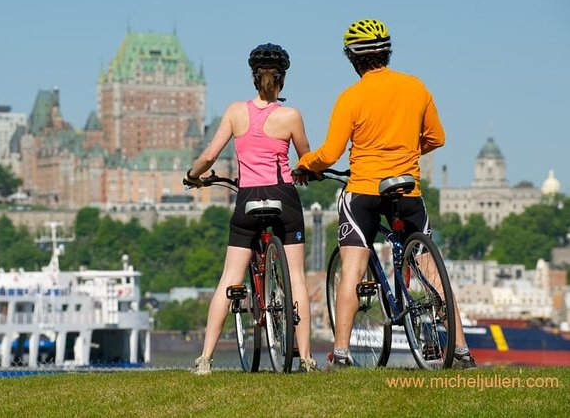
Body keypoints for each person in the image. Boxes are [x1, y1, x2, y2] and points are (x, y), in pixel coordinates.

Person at [296, 19, 476, 369]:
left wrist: (306, 164)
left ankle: (343, 354)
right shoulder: (416, 87)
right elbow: (437, 138)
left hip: (363, 189)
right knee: (432, 270)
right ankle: (462, 350)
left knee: (352, 268)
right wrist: (406, 152)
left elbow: (330, 154)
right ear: (387, 52)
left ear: (352, 58)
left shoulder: (351, 97)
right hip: (407, 188)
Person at [185, 43, 316, 373]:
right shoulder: (290, 115)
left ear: (253, 78)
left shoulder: (234, 112)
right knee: (296, 277)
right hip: (283, 197)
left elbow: (209, 156)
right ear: (282, 79)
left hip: (247, 198)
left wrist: (193, 176)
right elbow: (306, 159)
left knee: (229, 277)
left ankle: (205, 360)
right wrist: (303, 172)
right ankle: (307, 358)